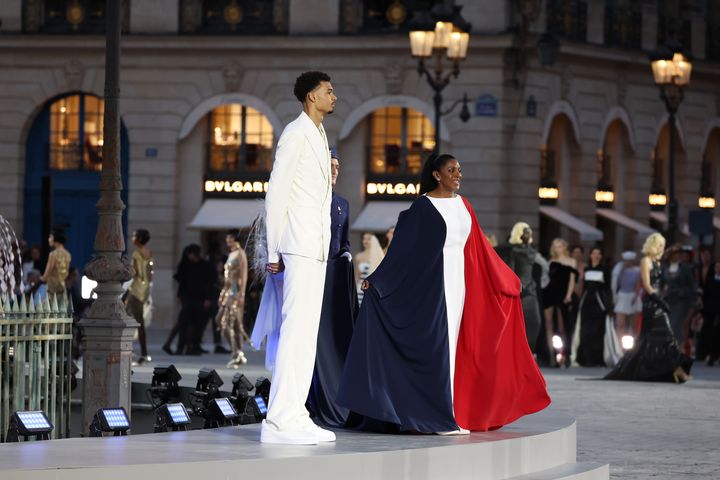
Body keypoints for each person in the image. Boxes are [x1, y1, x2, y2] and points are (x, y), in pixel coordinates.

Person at [337, 153, 550, 434]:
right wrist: (379, 280)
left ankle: (456, 412)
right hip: (433, 289)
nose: (458, 175)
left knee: (460, 347)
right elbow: (404, 251)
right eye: (451, 170)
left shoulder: (464, 206)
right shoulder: (422, 207)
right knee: (441, 347)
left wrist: (506, 277)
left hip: (462, 285)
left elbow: (480, 248)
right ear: (437, 175)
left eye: (459, 170)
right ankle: (440, 413)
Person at [261, 71, 337, 445]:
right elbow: (277, 193)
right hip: (298, 245)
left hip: (316, 247)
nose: (333, 96)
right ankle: (279, 420)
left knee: (306, 334)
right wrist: (273, 247)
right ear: (311, 97)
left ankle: (296, 412)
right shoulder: (295, 133)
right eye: (327, 91)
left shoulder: (320, 136)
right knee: (295, 331)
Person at [307, 148, 359, 428]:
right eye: (331, 165)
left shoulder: (343, 203)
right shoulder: (309, 201)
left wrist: (347, 254)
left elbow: (346, 240)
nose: (335, 170)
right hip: (314, 273)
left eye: (338, 166)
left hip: (335, 277)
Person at [605, 233, 693, 383]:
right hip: (651, 303)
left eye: (662, 245)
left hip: (659, 300)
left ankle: (670, 369)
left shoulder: (658, 262)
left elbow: (663, 283)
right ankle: (676, 370)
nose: (661, 247)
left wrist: (665, 296)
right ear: (652, 244)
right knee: (660, 336)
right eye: (659, 244)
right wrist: (659, 299)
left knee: (662, 337)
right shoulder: (645, 260)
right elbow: (646, 284)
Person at [570, 247, 620, 367]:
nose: (596, 256)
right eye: (594, 253)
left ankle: (597, 359)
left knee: (598, 331)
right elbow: (583, 287)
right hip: (587, 303)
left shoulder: (605, 270)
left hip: (599, 304)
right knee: (585, 331)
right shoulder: (586, 269)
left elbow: (608, 289)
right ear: (590, 255)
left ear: (601, 256)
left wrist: (609, 306)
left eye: (598, 253)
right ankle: (585, 359)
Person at [504, 222, 548, 352]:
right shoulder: (512, 250)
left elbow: (545, 266)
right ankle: (516, 352)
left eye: (529, 232)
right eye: (525, 231)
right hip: (517, 292)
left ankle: (528, 351)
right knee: (515, 325)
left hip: (530, 291)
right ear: (519, 233)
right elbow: (510, 271)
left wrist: (541, 281)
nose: (527, 234)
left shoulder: (532, 251)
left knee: (535, 323)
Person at [163, 244, 214, 355]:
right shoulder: (186, 264)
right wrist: (179, 295)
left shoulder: (204, 265)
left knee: (192, 323)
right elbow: (182, 282)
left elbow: (209, 283)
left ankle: (190, 346)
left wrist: (208, 298)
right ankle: (182, 347)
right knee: (185, 322)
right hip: (187, 297)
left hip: (198, 298)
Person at [541, 238, 577, 366]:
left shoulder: (571, 261)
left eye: (560, 245)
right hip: (549, 293)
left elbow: (572, 280)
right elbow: (545, 280)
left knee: (563, 326)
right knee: (548, 324)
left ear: (565, 247)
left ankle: (565, 355)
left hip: (563, 294)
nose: (558, 248)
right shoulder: (550, 262)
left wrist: (568, 295)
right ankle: (551, 356)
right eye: (556, 246)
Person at [216, 229, 249, 368]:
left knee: (233, 324)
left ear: (236, 239)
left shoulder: (241, 254)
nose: (228, 240)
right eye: (227, 238)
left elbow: (243, 275)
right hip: (228, 292)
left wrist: (241, 294)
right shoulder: (231, 254)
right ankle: (237, 352)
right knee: (222, 321)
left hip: (235, 293)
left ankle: (237, 353)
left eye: (230, 238)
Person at [126, 229, 153, 365]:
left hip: (135, 289)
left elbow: (133, 272)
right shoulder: (149, 253)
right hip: (144, 290)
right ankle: (143, 353)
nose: (132, 237)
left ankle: (133, 352)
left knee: (126, 319)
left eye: (134, 235)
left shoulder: (136, 253)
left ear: (139, 238)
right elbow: (150, 273)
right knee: (139, 321)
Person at [663, 244, 696, 341]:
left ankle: (677, 347)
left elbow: (691, 285)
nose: (677, 256)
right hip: (668, 300)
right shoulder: (665, 268)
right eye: (675, 254)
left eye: (679, 254)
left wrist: (692, 301)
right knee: (668, 324)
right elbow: (661, 282)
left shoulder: (685, 268)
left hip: (681, 300)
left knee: (675, 324)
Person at [612, 251, 643, 339]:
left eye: (629, 260)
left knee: (634, 325)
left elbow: (638, 285)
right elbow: (616, 284)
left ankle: (635, 343)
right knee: (620, 323)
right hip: (622, 296)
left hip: (633, 296)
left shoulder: (637, 270)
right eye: (626, 260)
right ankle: (619, 343)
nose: (627, 262)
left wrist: (635, 296)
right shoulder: (619, 270)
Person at [354, 233, 384, 304]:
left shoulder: (379, 255)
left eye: (368, 239)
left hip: (372, 288)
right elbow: (357, 275)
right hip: (360, 289)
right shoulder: (359, 256)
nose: (366, 241)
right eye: (364, 239)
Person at [40, 228, 71, 297]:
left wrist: (40, 279)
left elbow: (47, 273)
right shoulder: (67, 254)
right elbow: (66, 273)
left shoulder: (53, 254)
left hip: (52, 287)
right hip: (62, 286)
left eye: (50, 237)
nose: (49, 239)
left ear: (55, 239)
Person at [701, 261, 720, 365]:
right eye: (717, 267)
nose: (718, 269)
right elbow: (705, 295)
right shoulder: (710, 280)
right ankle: (709, 354)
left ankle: (715, 355)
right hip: (710, 310)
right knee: (709, 332)